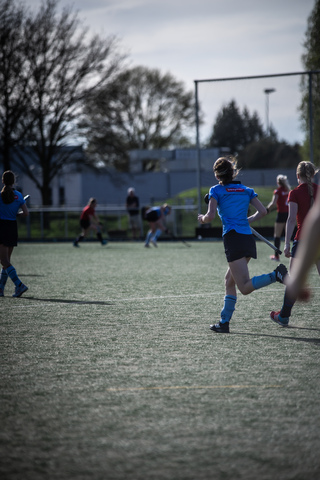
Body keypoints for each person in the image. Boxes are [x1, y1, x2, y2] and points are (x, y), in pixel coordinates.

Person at [198, 156, 288, 334]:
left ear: (217, 176)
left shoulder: (216, 190)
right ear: (233, 172)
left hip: (234, 239)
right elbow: (262, 211)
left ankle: (275, 275)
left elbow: (209, 216)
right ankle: (224, 322)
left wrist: (201, 219)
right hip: (247, 238)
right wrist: (248, 220)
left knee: (244, 287)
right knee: (228, 281)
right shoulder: (246, 190)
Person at [270, 161, 319, 326]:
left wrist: (286, 244)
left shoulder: (295, 193)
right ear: (313, 175)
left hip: (303, 240)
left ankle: (283, 316)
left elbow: (291, 220)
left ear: (298, 176)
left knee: (293, 280)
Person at [0, 170, 29, 297]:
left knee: (4, 261)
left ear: (3, 181)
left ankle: (19, 285)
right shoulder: (18, 195)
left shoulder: (0, 195)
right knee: (6, 261)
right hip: (12, 227)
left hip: (2, 227)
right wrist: (16, 214)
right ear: (14, 181)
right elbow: (26, 213)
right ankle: (0, 289)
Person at [266, 174, 291, 261]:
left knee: (277, 236)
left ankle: (276, 256)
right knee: (289, 234)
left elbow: (273, 203)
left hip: (281, 214)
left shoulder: (277, 191)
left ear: (278, 182)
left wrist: (267, 210)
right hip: (288, 214)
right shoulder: (288, 190)